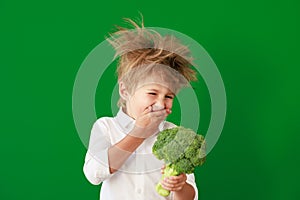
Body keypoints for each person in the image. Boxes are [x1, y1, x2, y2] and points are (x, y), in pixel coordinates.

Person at [83, 18, 199, 200]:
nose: (161, 104)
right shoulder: (105, 127)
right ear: (124, 90)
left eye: (169, 97)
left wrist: (180, 186)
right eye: (152, 93)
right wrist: (139, 133)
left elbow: (189, 197)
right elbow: (94, 173)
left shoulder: (174, 135)